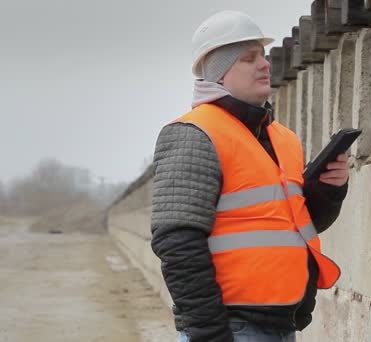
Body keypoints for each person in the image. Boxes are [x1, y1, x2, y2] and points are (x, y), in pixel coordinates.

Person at [150, 10, 350, 342]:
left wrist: (329, 192)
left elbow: (294, 229)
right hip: (232, 328)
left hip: (282, 325)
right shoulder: (194, 133)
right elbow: (177, 241)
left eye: (263, 55)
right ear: (219, 72)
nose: (265, 64)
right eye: (249, 58)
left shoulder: (281, 137)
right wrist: (212, 334)